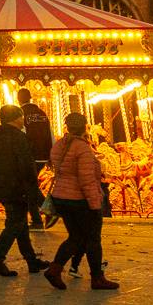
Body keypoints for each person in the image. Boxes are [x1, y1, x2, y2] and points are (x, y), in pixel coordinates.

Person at [42, 114, 117, 291]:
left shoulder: (59, 145)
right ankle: (97, 277)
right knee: (92, 239)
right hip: (79, 199)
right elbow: (87, 179)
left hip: (62, 197)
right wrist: (95, 204)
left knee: (76, 237)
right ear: (84, 127)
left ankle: (55, 269)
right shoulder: (81, 148)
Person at [0, 105, 47, 278]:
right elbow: (26, 166)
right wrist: (34, 190)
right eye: (22, 116)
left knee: (20, 224)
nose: (23, 120)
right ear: (16, 117)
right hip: (17, 187)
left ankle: (31, 260)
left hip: (1, 185)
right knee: (14, 225)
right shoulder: (18, 137)